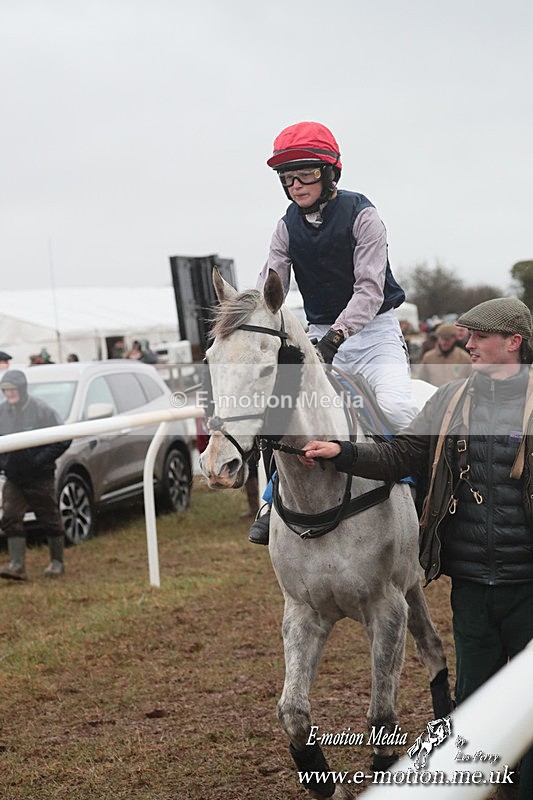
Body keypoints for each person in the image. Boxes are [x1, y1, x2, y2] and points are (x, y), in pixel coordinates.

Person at [300, 297, 533, 800]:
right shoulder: (448, 399)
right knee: (477, 707)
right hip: (471, 584)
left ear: (514, 342)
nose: (469, 344)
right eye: (467, 335)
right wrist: (343, 453)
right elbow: (402, 455)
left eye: (480, 336)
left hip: (529, 585)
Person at [250, 120, 418, 544]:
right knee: (283, 412)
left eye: (305, 174)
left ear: (329, 173)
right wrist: (253, 323)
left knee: (397, 407)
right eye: (287, 177)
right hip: (320, 333)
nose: (295, 185)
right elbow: (271, 286)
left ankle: (431, 490)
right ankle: (270, 499)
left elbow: (369, 289)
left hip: (374, 333)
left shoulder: (364, 216)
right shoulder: (285, 226)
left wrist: (336, 337)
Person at [0, 370, 71, 580]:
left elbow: (63, 439)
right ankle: (17, 566)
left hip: (40, 477)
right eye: (5, 390)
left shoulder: (42, 410)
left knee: (49, 518)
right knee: (10, 517)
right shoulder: (1, 412)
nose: (9, 394)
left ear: (22, 389)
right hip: (14, 478)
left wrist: (39, 461)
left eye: (13, 389)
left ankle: (57, 563)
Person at [416, 322, 472, 387]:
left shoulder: (464, 358)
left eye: (447, 340)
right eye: (442, 339)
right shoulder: (428, 357)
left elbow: (471, 381)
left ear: (454, 339)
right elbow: (422, 381)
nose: (444, 343)